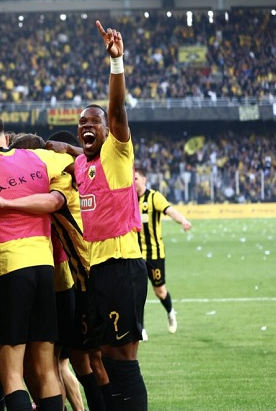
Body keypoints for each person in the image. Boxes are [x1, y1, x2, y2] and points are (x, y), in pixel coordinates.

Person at [0, 113, 73, 411]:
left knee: (11, 373)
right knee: (47, 369)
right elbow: (75, 161)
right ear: (6, 138)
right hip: (44, 268)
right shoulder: (39, 158)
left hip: (7, 268)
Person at [73, 21, 148, 409]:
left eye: (94, 122)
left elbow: (117, 108)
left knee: (123, 359)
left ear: (108, 130)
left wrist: (116, 63)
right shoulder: (80, 166)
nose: (87, 127)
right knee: (103, 354)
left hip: (123, 265)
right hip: (98, 270)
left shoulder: (117, 152)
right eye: (82, 123)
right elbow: (72, 154)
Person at [134, 166, 192, 335]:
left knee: (160, 291)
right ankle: (140, 329)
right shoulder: (129, 199)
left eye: (135, 178)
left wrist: (183, 221)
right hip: (135, 255)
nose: (133, 182)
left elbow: (170, 211)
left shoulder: (154, 197)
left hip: (155, 254)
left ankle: (171, 312)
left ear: (144, 180)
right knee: (137, 292)